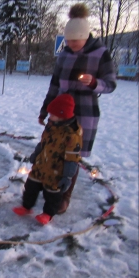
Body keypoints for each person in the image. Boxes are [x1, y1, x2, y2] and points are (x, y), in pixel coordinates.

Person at [38, 3, 116, 214]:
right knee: (54, 149)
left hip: (83, 112)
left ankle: (64, 196)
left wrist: (93, 83)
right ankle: (48, 187)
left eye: (75, 40)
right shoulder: (64, 55)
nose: (71, 44)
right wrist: (45, 109)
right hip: (60, 113)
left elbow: (111, 84)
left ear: (85, 35)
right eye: (68, 40)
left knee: (72, 154)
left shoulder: (100, 53)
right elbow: (54, 84)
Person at [13, 94, 83, 225]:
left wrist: (67, 177)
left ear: (62, 116)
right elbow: (43, 143)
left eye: (53, 114)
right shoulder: (51, 127)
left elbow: (72, 159)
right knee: (30, 187)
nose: (49, 117)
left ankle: (48, 214)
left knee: (52, 194)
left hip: (56, 171)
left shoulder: (71, 136)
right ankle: (26, 207)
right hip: (40, 166)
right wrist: (36, 154)